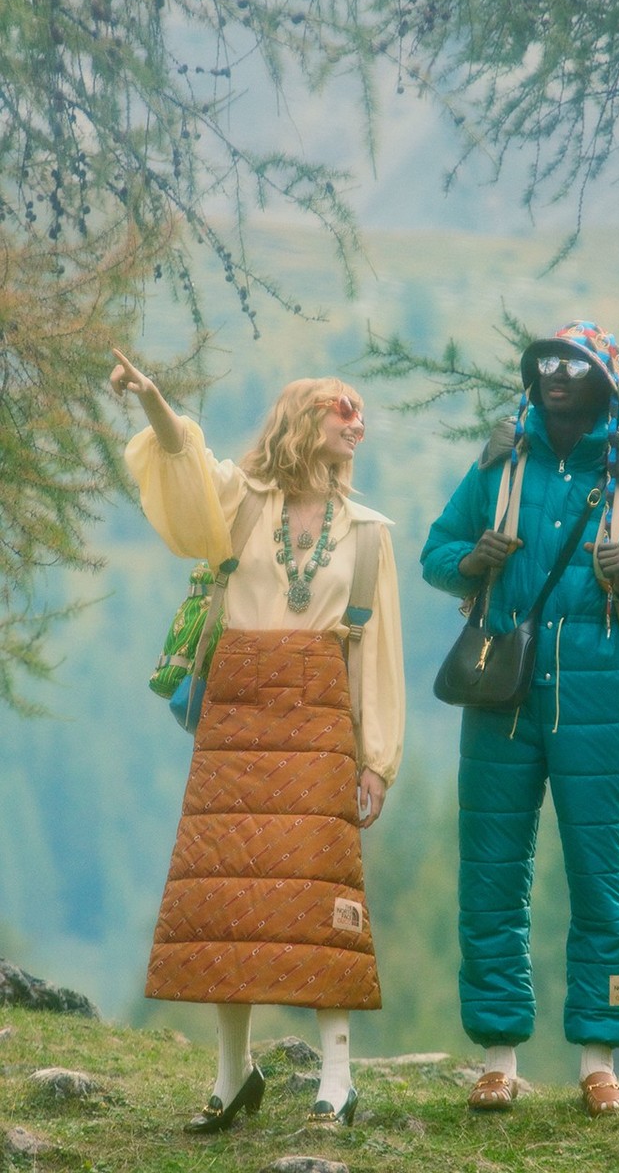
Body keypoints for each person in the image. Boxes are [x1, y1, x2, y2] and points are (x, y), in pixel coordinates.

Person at [420, 320, 619, 1116]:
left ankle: (599, 1061)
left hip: (601, 706)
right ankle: (497, 1060)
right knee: (490, 879)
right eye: (546, 362)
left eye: (575, 365)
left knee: (601, 881)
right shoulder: (501, 463)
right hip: (500, 700)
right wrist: (472, 561)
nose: (556, 374)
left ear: (603, 383)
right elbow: (435, 553)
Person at [110, 350, 404, 1131]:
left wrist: (376, 760)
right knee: (226, 891)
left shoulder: (369, 535)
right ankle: (231, 1074)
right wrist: (152, 400)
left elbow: (377, 655)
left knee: (322, 895)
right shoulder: (240, 502)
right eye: (343, 408)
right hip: (237, 715)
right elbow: (184, 458)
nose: (358, 422)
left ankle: (336, 1079)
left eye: (361, 412)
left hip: (319, 720)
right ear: (302, 421)